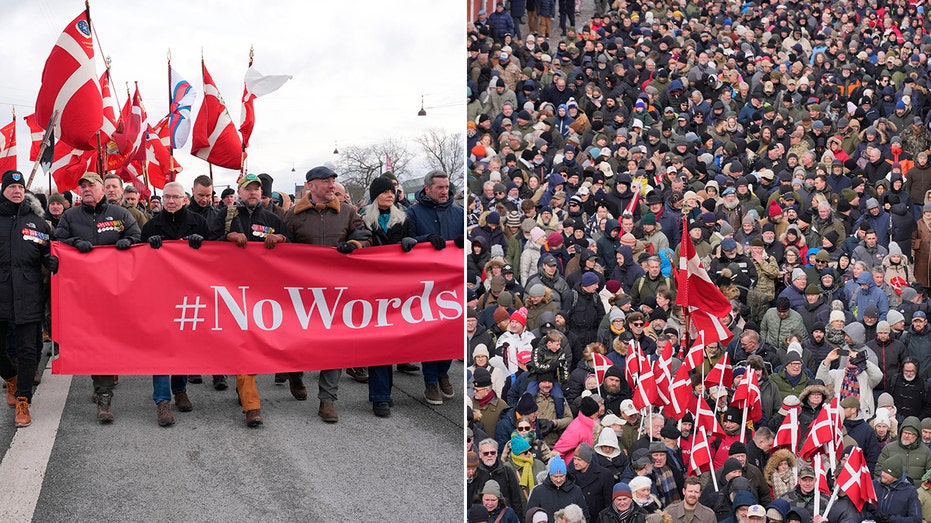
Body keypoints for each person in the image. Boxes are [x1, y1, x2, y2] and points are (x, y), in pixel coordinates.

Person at [283, 166, 371, 423]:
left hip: (337, 290)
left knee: (335, 343)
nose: (332, 185)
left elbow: (365, 235)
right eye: (325, 181)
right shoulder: (293, 216)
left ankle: (327, 400)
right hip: (302, 291)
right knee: (298, 339)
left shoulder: (347, 212)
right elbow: (281, 250)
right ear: (310, 185)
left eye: (333, 180)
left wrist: (354, 243)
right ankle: (295, 372)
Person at [55, 171, 141, 423]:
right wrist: (74, 242)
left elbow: (138, 237)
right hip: (83, 290)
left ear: (103, 189)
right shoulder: (70, 216)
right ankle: (104, 395)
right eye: (83, 187)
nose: (86, 190)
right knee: (94, 339)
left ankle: (103, 383)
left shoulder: (120, 214)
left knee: (110, 337)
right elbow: (58, 243)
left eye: (91, 185)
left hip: (116, 288)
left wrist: (128, 241)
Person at [139, 181, 210, 426]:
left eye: (175, 197)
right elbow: (139, 260)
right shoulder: (151, 225)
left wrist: (204, 243)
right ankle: (162, 400)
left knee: (183, 344)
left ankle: (180, 389)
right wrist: (148, 244)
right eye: (166, 196)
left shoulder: (199, 223)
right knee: (160, 346)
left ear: (184, 200)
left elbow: (216, 255)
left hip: (189, 294)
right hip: (159, 293)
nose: (170, 201)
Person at [224, 173, 290, 426]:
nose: (252, 193)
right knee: (245, 344)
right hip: (233, 291)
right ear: (239, 193)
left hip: (267, 294)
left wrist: (282, 239)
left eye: (256, 189)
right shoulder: (228, 217)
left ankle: (283, 378)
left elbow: (294, 250)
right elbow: (207, 243)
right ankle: (252, 405)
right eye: (247, 189)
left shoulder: (274, 219)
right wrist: (226, 238)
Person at [359, 175, 419, 417]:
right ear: (376, 195)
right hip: (371, 289)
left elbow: (416, 244)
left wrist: (415, 242)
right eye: (385, 192)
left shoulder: (403, 219)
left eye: (392, 191)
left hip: (397, 290)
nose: (390, 195)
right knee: (378, 343)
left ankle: (386, 391)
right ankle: (380, 396)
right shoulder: (363, 220)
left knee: (393, 341)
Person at [0, 170, 56, 428]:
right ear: (3, 190)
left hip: (29, 293)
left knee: (27, 350)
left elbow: (47, 252)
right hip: (1, 292)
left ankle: (23, 399)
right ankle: (10, 376)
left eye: (20, 187)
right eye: (11, 186)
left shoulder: (38, 222)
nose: (17, 191)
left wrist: (51, 260)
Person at [405, 170, 464, 405]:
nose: (444, 191)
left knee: (450, 329)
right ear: (428, 189)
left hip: (452, 283)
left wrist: (465, 242)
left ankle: (443, 371)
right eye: (439, 187)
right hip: (426, 283)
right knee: (431, 331)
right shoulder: (413, 212)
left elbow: (470, 247)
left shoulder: (458, 213)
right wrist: (425, 240)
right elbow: (405, 242)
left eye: (446, 186)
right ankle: (430, 379)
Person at [185, 175, 228, 391]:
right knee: (193, 322)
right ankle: (193, 365)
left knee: (216, 322)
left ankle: (218, 369)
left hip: (213, 274)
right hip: (187, 275)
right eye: (201, 195)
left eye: (208, 195)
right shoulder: (184, 215)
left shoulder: (217, 213)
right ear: (193, 191)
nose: (205, 199)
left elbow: (221, 239)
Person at [526, 456, 590, 521]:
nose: (558, 480)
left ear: (566, 474)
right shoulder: (538, 492)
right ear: (550, 475)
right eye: (555, 477)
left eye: (561, 476)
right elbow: (529, 516)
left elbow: (584, 516)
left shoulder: (576, 491)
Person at [865, 455, 923, 522]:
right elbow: (860, 510)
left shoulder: (910, 491)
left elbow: (916, 519)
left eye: (887, 473)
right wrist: (872, 517)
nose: (882, 474)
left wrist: (892, 519)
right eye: (883, 471)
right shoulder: (873, 485)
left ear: (896, 475)